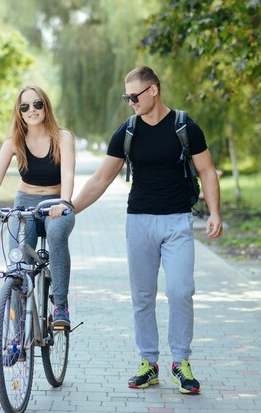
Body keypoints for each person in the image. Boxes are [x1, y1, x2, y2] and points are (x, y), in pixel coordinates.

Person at [72, 66, 222, 394]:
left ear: (153, 90)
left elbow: (207, 171)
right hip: (138, 221)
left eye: (135, 96)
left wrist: (214, 212)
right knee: (142, 297)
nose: (130, 102)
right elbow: (100, 179)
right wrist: (70, 208)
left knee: (181, 290)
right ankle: (148, 363)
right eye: (127, 96)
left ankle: (180, 363)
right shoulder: (127, 131)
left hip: (177, 221)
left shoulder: (185, 126)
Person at [0, 85, 76, 327]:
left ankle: (60, 305)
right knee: (19, 264)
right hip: (25, 204)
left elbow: (69, 175)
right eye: (25, 106)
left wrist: (63, 203)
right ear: (19, 112)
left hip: (55, 203)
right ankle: (18, 334)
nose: (32, 110)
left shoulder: (63, 137)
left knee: (57, 232)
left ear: (46, 106)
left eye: (37, 104)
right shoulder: (14, 142)